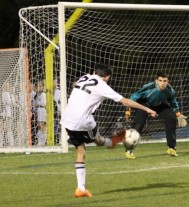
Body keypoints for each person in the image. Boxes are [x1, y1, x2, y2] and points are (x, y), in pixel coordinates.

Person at [60, 63, 157, 198]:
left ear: (94, 71)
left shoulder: (85, 76)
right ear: (107, 77)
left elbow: (77, 86)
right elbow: (125, 102)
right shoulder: (102, 85)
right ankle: (116, 140)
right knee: (98, 140)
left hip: (67, 118)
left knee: (81, 150)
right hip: (83, 120)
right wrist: (147, 109)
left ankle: (80, 189)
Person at [125, 71, 187, 159]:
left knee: (171, 119)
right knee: (139, 124)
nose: (162, 83)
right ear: (156, 81)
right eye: (160, 80)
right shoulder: (148, 88)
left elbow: (173, 102)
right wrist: (128, 110)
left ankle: (171, 148)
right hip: (144, 104)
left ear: (168, 81)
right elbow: (134, 96)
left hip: (158, 105)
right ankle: (129, 150)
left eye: (165, 81)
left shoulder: (170, 90)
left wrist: (178, 114)